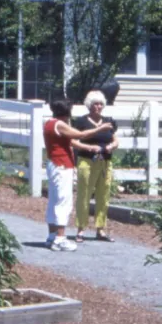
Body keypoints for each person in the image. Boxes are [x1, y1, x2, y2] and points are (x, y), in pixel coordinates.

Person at [42, 98, 111, 251]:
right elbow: (80, 135)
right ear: (66, 112)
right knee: (63, 201)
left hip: (54, 164)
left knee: (54, 200)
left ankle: (52, 236)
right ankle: (60, 238)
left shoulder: (49, 123)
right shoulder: (60, 125)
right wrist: (99, 129)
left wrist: (88, 147)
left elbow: (71, 142)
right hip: (62, 165)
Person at [72, 89, 119, 243]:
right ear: (89, 105)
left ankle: (100, 229)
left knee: (103, 195)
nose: (98, 107)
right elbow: (74, 141)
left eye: (100, 104)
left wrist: (111, 146)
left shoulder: (109, 121)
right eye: (95, 104)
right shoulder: (81, 122)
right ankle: (81, 229)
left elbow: (115, 140)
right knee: (84, 194)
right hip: (86, 161)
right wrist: (89, 148)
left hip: (105, 161)